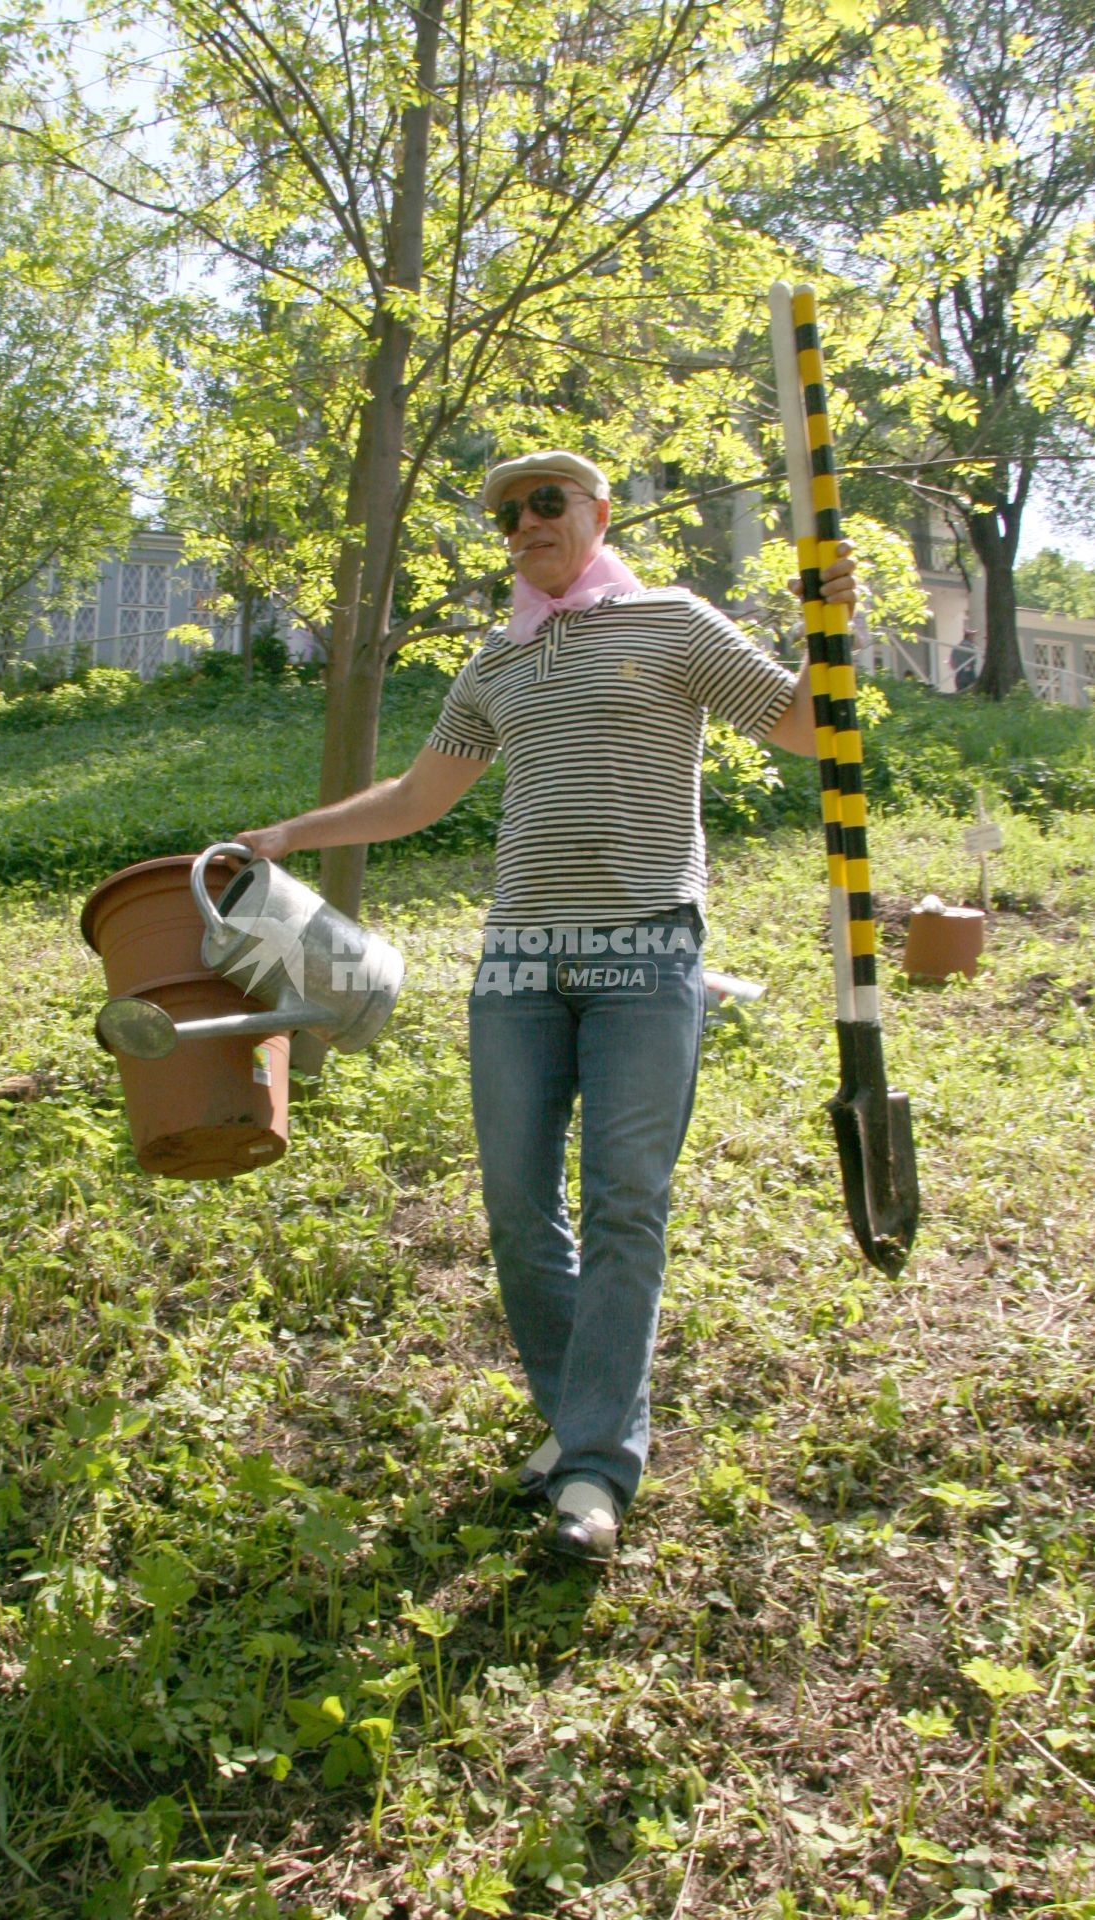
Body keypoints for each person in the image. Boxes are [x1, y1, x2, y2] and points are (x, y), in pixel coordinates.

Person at [237, 450, 855, 1564]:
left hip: (643, 954)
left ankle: (592, 1471)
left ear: (596, 513)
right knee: (521, 1212)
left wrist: (826, 628)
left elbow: (803, 726)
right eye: (505, 513)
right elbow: (421, 795)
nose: (523, 523)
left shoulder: (669, 620)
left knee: (625, 1205)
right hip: (517, 964)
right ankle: (581, 1425)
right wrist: (286, 836)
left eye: (544, 503)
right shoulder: (497, 655)